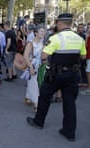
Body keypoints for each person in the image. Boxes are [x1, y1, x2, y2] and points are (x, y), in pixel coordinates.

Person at [26, 13, 86, 142]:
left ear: (59, 23)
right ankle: (69, 132)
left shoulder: (56, 38)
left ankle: (39, 121)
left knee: (44, 96)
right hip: (72, 75)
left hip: (56, 74)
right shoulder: (79, 38)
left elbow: (43, 56)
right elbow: (83, 57)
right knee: (70, 103)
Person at [22, 26, 45, 112]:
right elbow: (25, 56)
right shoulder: (30, 44)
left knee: (32, 82)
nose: (43, 33)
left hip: (40, 66)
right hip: (32, 66)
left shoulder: (42, 43)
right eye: (41, 31)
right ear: (36, 33)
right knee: (34, 84)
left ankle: (28, 97)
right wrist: (31, 67)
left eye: (44, 32)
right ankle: (36, 104)